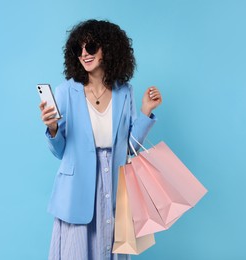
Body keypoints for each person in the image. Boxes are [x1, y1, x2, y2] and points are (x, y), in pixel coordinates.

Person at [39, 19, 162, 260]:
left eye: (91, 47)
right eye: (79, 49)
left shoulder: (124, 91)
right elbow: (60, 151)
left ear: (108, 49)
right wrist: (52, 128)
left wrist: (145, 112)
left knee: (112, 249)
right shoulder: (66, 91)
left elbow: (129, 147)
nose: (84, 54)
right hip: (77, 189)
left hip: (114, 183)